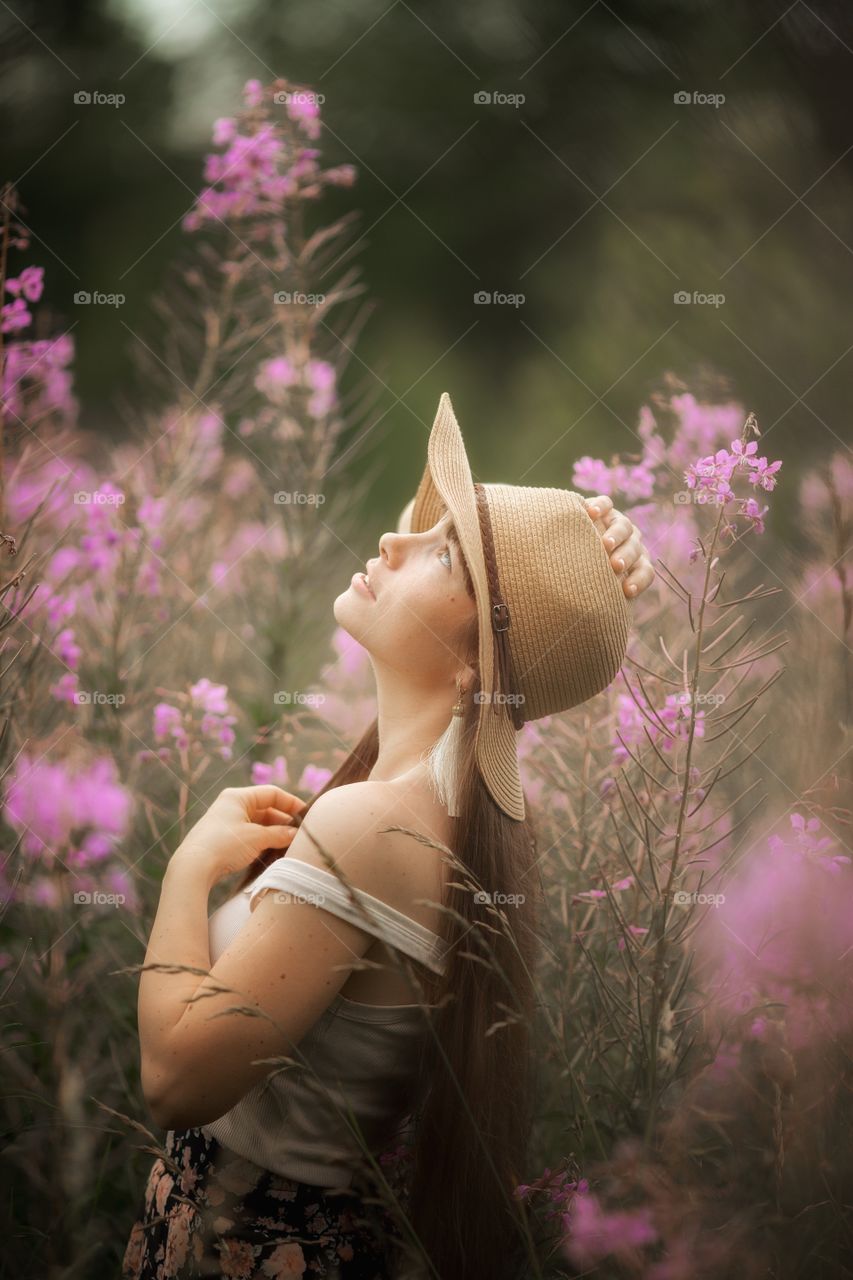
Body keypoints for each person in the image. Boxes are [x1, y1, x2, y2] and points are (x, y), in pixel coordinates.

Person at [122, 392, 655, 1280]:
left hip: (243, 1250)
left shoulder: (371, 823)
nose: (391, 542)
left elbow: (175, 1082)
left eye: (441, 552)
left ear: (474, 658)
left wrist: (187, 869)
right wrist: (573, 541)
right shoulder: (433, 809)